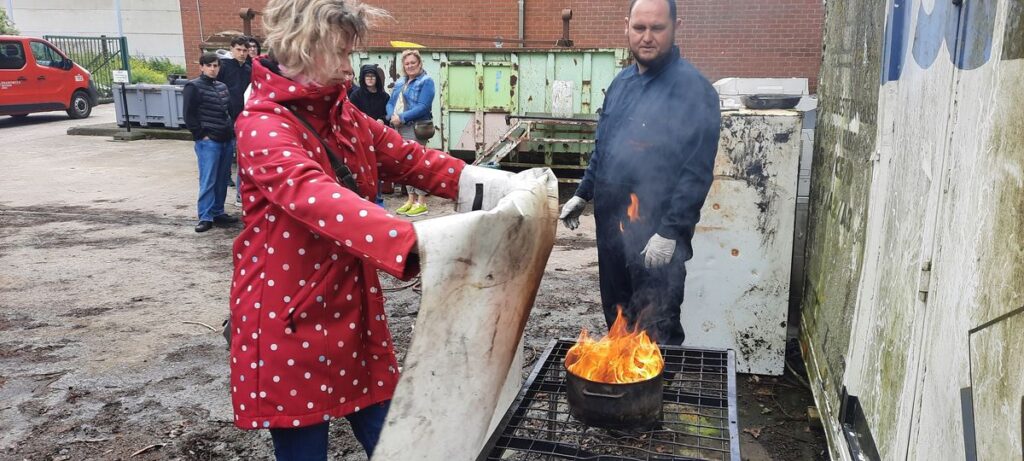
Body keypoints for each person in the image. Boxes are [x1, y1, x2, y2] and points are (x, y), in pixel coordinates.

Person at [229, 1, 495, 458]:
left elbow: (410, 157)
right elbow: (316, 196)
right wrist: (415, 241)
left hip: (350, 307)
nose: (349, 68)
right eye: (339, 52)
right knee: (304, 449)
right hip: (287, 317)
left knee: (396, 442)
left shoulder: (343, 116)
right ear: (300, 44)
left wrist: (491, 185)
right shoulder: (261, 124)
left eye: (351, 53)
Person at [559, 0, 720, 347]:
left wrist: (671, 231)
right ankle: (623, 395)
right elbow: (604, 146)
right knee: (618, 318)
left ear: (676, 27)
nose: (647, 37)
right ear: (627, 27)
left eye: (657, 29)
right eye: (639, 28)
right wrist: (582, 192)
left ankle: (655, 399)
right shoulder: (620, 84)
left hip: (656, 235)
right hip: (612, 230)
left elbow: (697, 172)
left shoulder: (694, 90)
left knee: (655, 325)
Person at [182, 53, 239, 232]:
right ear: (202, 67)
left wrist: (232, 133)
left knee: (222, 178)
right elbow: (188, 115)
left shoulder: (222, 86)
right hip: (208, 142)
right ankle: (205, 216)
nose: (213, 69)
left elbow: (229, 111)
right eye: (209, 66)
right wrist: (201, 134)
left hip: (226, 139)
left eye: (216, 66)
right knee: (208, 179)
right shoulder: (193, 87)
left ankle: (218, 212)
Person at [386, 49, 436, 217]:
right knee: (405, 165)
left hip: (416, 127)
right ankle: (410, 199)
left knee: (419, 164)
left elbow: (423, 107)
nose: (410, 66)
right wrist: (391, 116)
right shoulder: (400, 82)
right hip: (399, 127)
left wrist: (402, 117)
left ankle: (421, 202)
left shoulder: (426, 81)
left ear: (420, 63)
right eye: (407, 63)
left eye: (413, 62)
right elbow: (390, 102)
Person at [348, 64, 391, 206]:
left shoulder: (384, 96)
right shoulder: (356, 95)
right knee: (363, 168)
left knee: (378, 167)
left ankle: (378, 198)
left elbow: (388, 114)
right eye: (367, 76)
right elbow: (352, 115)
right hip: (361, 136)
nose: (370, 79)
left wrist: (383, 119)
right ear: (363, 78)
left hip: (379, 137)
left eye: (372, 76)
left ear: (376, 79)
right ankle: (363, 199)